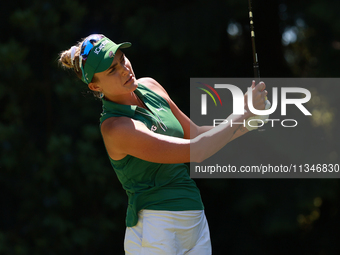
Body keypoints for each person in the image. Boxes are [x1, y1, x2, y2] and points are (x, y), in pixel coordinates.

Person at [58, 34, 268, 255]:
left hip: (194, 220)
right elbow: (197, 151)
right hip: (156, 229)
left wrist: (247, 124)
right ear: (94, 86)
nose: (124, 69)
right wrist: (242, 112)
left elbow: (196, 134)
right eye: (112, 70)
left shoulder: (150, 86)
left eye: (122, 59)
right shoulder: (115, 127)